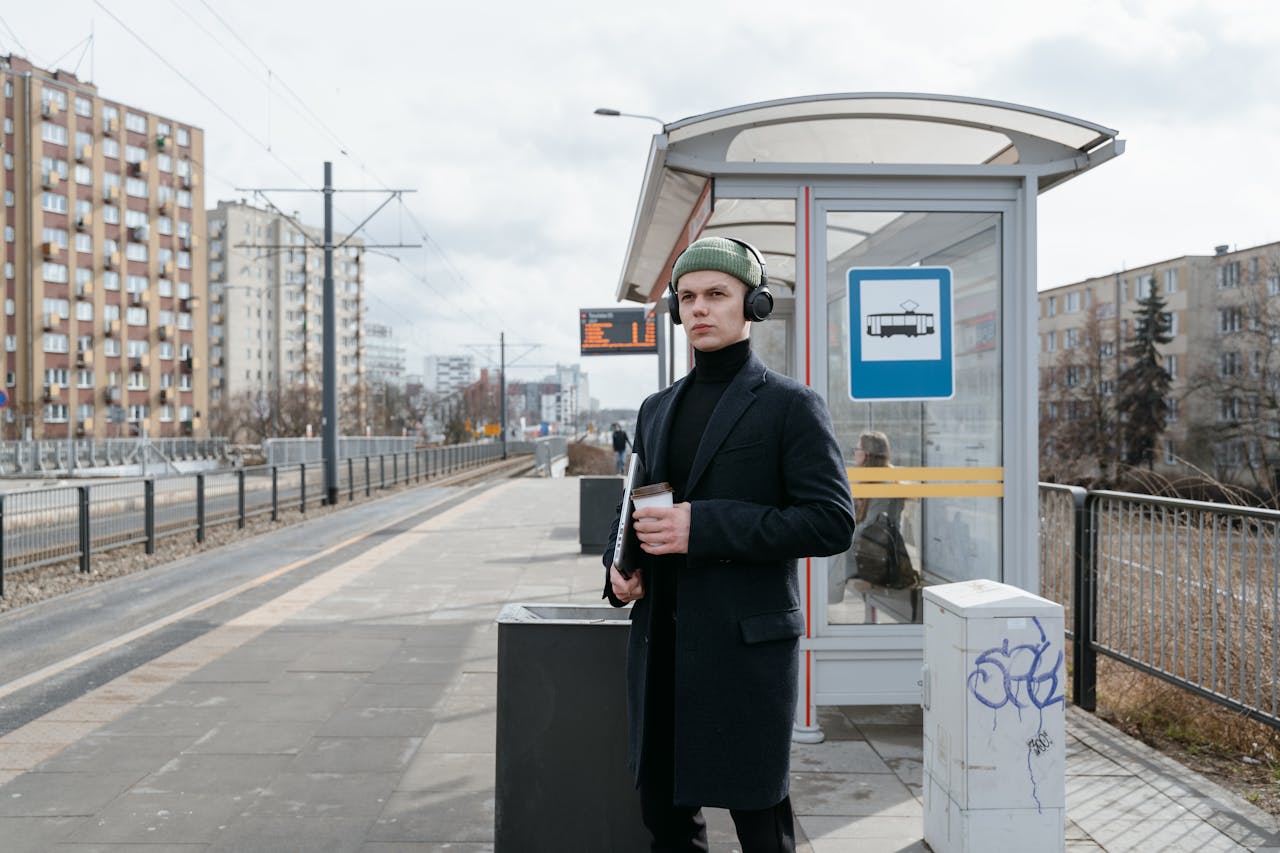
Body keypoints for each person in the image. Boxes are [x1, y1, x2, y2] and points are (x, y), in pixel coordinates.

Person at [603, 236, 856, 853]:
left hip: (743, 656)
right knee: (666, 823)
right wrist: (620, 568)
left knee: (761, 829)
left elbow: (829, 521)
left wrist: (704, 526)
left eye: (717, 294)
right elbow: (637, 500)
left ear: (754, 304)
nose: (700, 309)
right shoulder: (655, 408)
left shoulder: (790, 406)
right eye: (687, 297)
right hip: (662, 648)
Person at [848, 430, 905, 584]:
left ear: (867, 454)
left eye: (857, 450)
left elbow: (869, 529)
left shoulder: (884, 485)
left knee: (831, 558)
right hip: (870, 552)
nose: (854, 454)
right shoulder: (870, 480)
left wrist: (843, 534)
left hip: (879, 558)